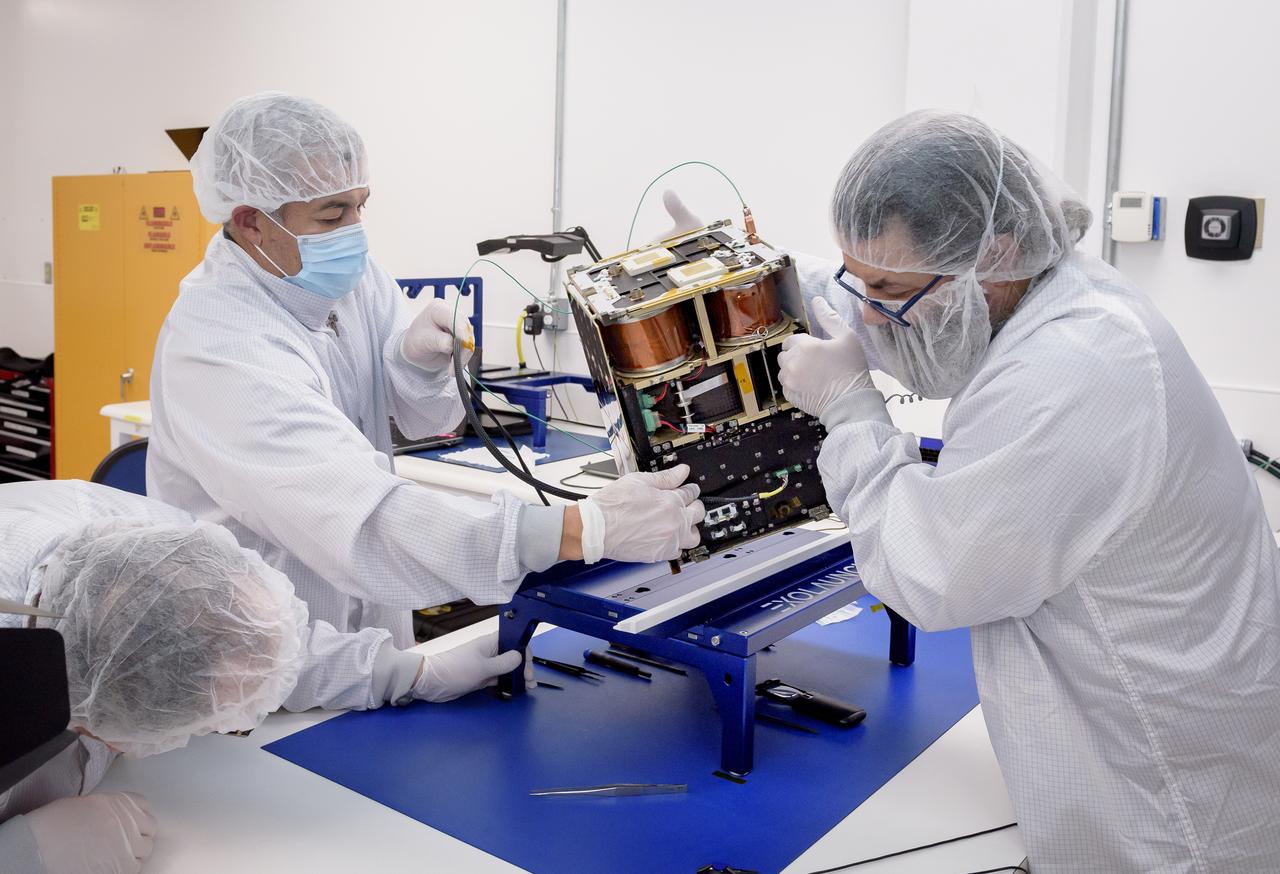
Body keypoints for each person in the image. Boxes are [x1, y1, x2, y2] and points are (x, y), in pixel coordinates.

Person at [761, 110, 1280, 871]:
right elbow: (900, 308)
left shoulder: (1070, 371)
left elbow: (931, 576)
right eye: (856, 281)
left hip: (1165, 790)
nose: (869, 312)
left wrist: (851, 414)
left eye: (887, 288)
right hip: (1157, 706)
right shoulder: (1044, 293)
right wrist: (760, 267)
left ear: (993, 251)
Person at [147, 92, 704, 666]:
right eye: (333, 213)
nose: (355, 232)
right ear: (250, 222)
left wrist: (413, 364)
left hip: (368, 644)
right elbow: (361, 522)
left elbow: (431, 421)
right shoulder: (219, 347)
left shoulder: (345, 277)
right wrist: (580, 529)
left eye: (361, 205)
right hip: (258, 667)